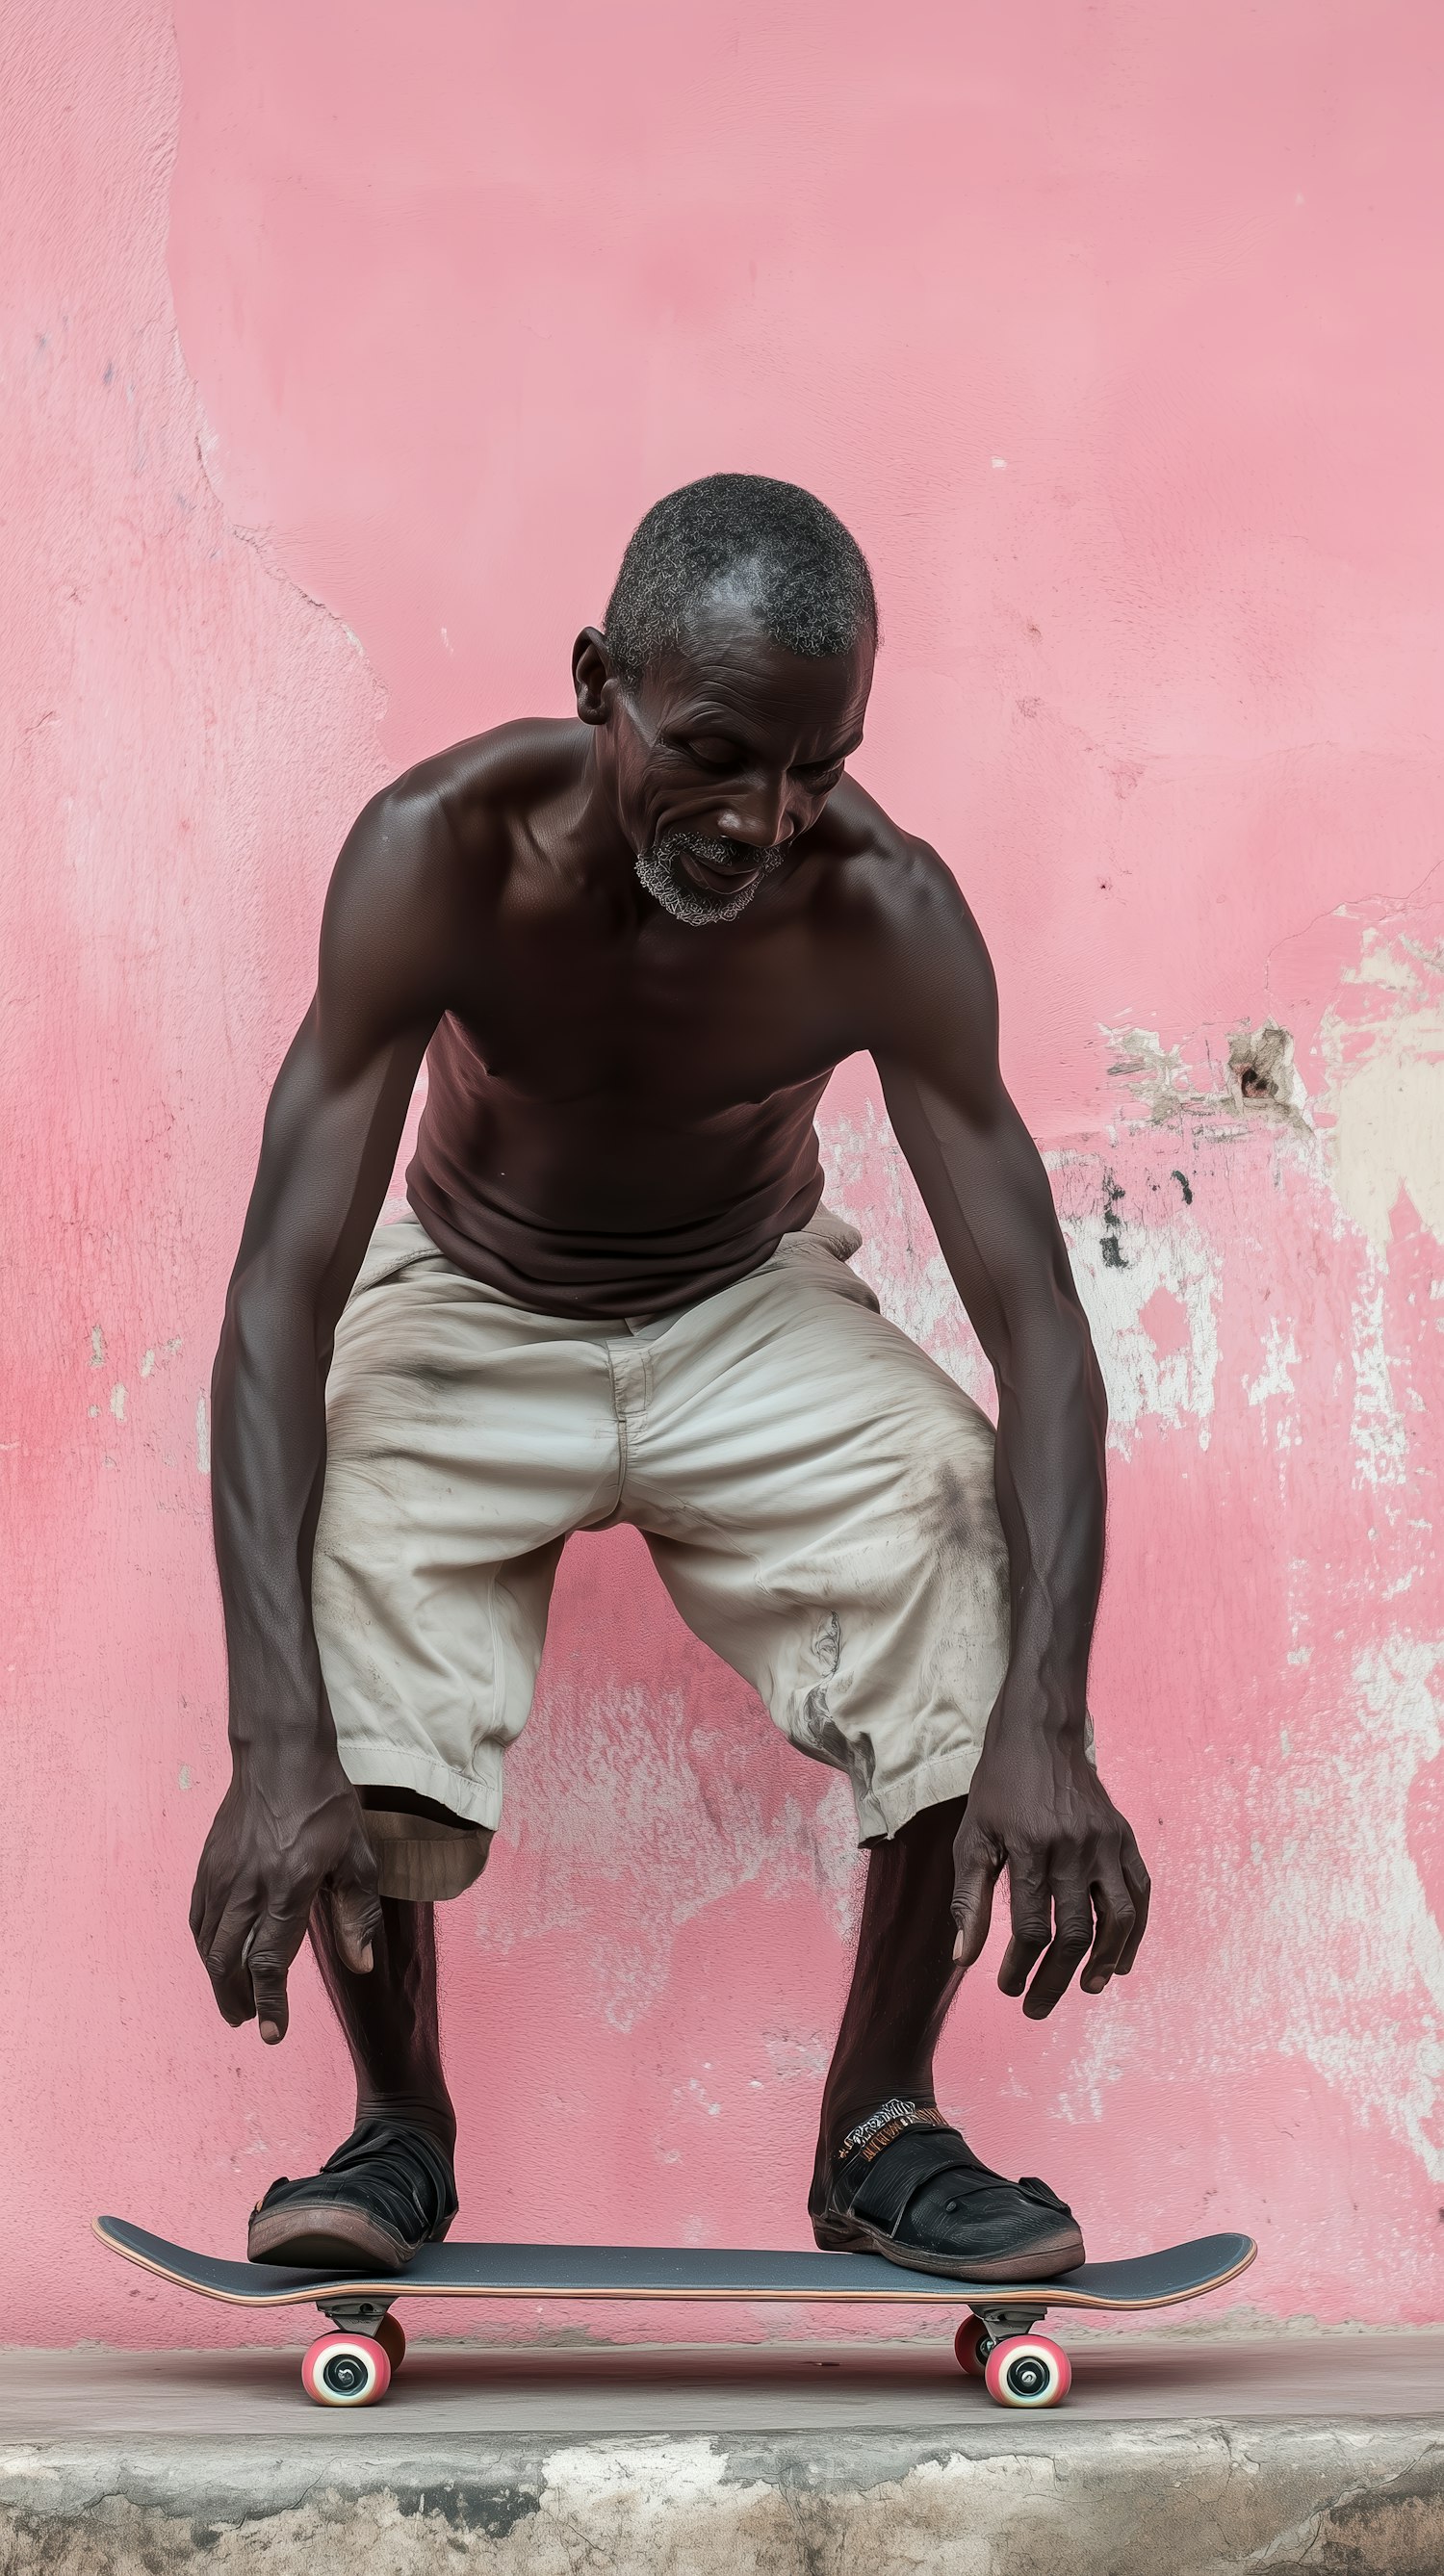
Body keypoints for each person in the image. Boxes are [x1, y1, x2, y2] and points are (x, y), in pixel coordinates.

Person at [191, 474, 1149, 2282]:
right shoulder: (434, 853)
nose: (763, 818)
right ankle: (397, 2123)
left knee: (957, 1508)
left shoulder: (885, 910)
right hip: (472, 1295)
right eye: (714, 749)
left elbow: (1040, 1337)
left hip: (744, 1301)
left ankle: (880, 2124)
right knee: (341, 1539)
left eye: (814, 766)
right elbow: (275, 1305)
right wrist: (271, 1744)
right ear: (595, 683)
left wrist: (1048, 1718)